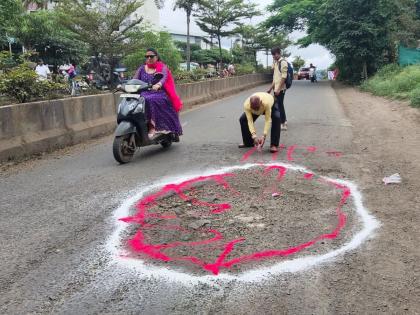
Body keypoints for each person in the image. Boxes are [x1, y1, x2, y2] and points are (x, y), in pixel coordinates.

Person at [134, 48, 183, 140]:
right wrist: (125, 85)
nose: (149, 58)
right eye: (147, 56)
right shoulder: (141, 68)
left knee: (149, 100)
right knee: (135, 99)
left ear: (157, 57)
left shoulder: (162, 67)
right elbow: (135, 79)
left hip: (159, 92)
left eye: (151, 56)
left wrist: (158, 84)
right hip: (144, 92)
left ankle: (152, 127)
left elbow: (163, 78)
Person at [267, 47, 288, 131]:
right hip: (276, 89)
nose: (273, 56)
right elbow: (275, 78)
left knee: (279, 105)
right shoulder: (276, 63)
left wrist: (279, 89)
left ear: (279, 53)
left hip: (281, 89)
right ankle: (282, 120)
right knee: (275, 104)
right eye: (273, 54)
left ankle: (283, 123)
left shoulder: (283, 62)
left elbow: (284, 77)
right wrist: (270, 88)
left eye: (274, 54)